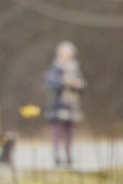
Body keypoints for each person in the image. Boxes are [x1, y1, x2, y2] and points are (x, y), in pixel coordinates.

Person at [45, 40, 86, 168]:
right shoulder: (55, 68)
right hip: (58, 103)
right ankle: (57, 156)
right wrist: (64, 83)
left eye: (67, 54)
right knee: (57, 130)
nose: (65, 57)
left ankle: (68, 155)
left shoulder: (75, 68)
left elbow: (82, 84)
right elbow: (50, 82)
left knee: (70, 131)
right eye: (63, 54)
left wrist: (78, 84)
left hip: (71, 103)